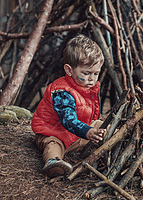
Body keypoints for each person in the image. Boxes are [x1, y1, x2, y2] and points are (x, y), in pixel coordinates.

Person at [31, 34, 105, 178]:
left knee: (102, 126)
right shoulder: (62, 92)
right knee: (52, 145)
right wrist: (88, 132)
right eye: (86, 73)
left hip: (76, 134)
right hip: (53, 132)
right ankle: (54, 163)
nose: (92, 79)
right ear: (69, 70)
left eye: (96, 73)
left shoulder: (86, 87)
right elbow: (68, 120)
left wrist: (92, 129)